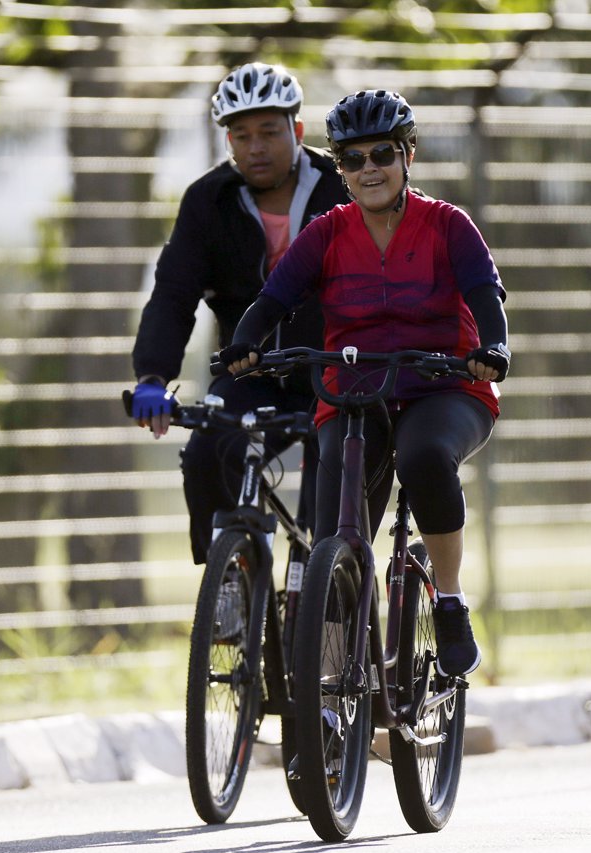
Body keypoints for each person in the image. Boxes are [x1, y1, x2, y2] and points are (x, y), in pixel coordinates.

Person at [220, 89, 511, 677]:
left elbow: (484, 293)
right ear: (340, 170)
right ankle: (326, 702)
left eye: (382, 154)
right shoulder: (327, 233)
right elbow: (273, 299)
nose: (369, 169)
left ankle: (449, 600)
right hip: (354, 390)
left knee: (425, 454)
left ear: (408, 157)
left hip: (444, 385)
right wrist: (246, 344)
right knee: (335, 534)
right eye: (352, 159)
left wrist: (492, 346)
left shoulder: (448, 225)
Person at [129, 62, 352, 565]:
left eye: (270, 132)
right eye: (241, 135)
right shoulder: (208, 201)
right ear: (228, 141)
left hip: (335, 373)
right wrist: (152, 374)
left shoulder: (343, 190)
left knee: (329, 518)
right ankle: (232, 580)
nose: (255, 147)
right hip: (248, 371)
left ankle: (329, 603)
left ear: (296, 130)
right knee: (209, 451)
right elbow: (173, 293)